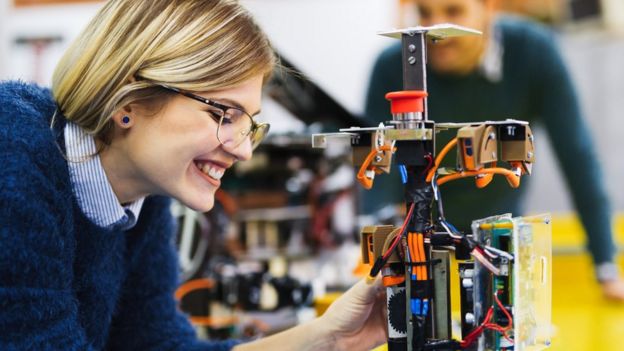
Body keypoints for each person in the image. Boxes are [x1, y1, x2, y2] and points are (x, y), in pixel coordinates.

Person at [0, 0, 387, 350]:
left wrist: (332, 337)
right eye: (223, 115)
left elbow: (156, 345)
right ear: (127, 99)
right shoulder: (15, 157)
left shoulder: (141, 199)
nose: (244, 149)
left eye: (250, 124)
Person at [363, 0, 624, 300]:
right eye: (424, 12)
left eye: (453, 11)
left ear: (488, 9)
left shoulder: (533, 52)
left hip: (498, 246)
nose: (435, 26)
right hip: (419, 253)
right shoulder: (391, 66)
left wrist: (606, 266)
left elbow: (578, 158)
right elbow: (376, 171)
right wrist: (377, 257)